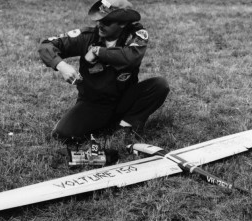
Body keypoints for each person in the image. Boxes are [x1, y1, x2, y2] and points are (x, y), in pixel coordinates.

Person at [38, 0, 169, 149]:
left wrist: (97, 51)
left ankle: (128, 124)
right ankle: (108, 123)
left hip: (124, 99)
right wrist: (61, 66)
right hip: (94, 103)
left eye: (107, 22)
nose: (100, 25)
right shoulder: (87, 36)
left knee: (159, 85)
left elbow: (130, 57)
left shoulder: (136, 35)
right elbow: (46, 45)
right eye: (99, 20)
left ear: (122, 24)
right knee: (62, 134)